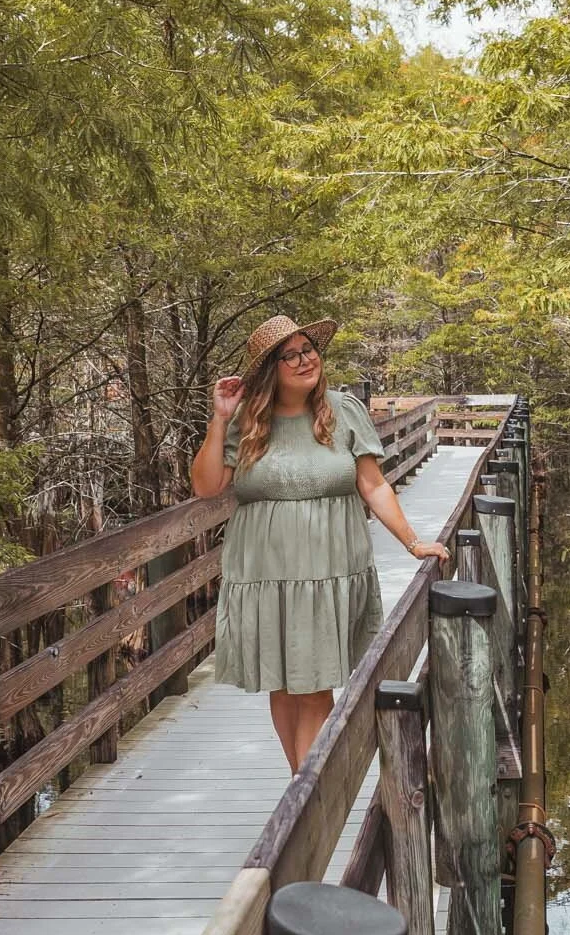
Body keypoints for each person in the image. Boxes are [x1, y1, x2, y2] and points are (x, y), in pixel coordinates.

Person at [190, 314, 450, 772]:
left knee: (313, 685)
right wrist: (220, 417)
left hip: (329, 565)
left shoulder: (343, 409)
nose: (304, 359)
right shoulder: (248, 420)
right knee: (283, 683)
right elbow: (208, 486)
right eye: (289, 355)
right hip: (264, 572)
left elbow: (373, 485)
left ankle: (307, 797)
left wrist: (413, 543)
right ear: (271, 368)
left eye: (307, 348)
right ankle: (302, 788)